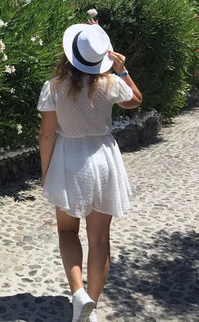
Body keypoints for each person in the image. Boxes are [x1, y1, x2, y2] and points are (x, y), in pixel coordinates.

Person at [37, 23, 142, 322]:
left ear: (69, 54)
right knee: (99, 240)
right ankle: (91, 306)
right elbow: (135, 100)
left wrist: (46, 172)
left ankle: (78, 294)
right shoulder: (110, 84)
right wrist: (122, 70)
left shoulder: (54, 87)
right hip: (104, 159)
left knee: (67, 231)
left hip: (69, 160)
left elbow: (46, 135)